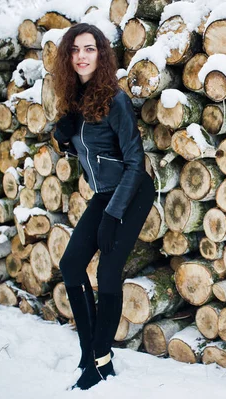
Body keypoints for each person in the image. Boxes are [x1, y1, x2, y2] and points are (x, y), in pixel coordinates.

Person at [52, 23, 154, 390]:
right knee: (71, 264)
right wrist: (63, 140)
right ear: (68, 56)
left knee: (108, 272)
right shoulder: (74, 97)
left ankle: (100, 359)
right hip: (104, 193)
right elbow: (88, 146)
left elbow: (134, 161)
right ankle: (89, 352)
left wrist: (112, 215)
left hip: (132, 192)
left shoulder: (115, 98)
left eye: (90, 49)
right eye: (76, 49)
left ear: (102, 54)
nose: (82, 56)